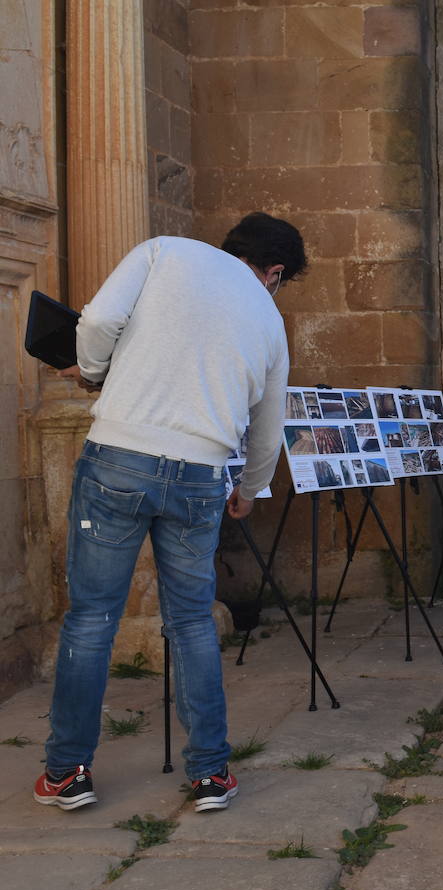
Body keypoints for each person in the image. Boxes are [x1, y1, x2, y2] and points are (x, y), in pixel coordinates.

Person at [35, 213, 303, 814]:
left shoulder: (164, 252)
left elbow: (101, 319)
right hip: (203, 475)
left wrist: (96, 373)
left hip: (119, 460)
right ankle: (209, 775)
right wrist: (251, 489)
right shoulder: (268, 316)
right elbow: (268, 424)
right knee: (190, 623)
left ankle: (66, 773)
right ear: (275, 272)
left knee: (91, 620)